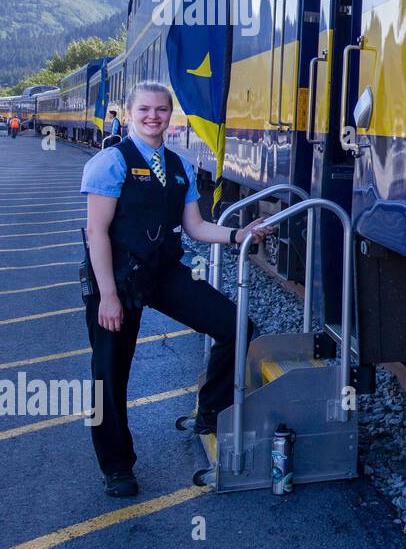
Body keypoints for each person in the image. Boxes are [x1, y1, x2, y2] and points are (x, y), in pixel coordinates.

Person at [81, 82, 273, 498]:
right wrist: (108, 295)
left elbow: (196, 227)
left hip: (162, 270)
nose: (154, 116)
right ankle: (116, 466)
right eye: (145, 109)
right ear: (130, 112)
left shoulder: (180, 165)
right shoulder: (110, 162)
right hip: (116, 277)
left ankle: (210, 412)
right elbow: (96, 232)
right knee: (108, 375)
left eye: (162, 110)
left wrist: (239, 234)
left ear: (171, 115)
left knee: (235, 324)